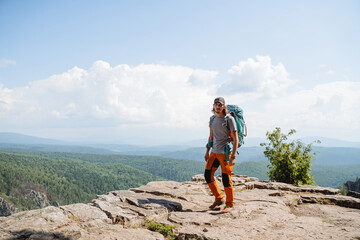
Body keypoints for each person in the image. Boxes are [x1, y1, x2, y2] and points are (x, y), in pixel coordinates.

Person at [204, 97, 238, 213]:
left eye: (220, 105)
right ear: (213, 106)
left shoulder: (229, 119)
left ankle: (229, 204)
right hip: (214, 152)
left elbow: (235, 138)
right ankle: (219, 198)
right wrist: (207, 151)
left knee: (226, 179)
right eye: (216, 105)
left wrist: (233, 157)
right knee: (208, 175)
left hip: (225, 154)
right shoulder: (212, 119)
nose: (217, 107)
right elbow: (211, 136)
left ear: (224, 106)